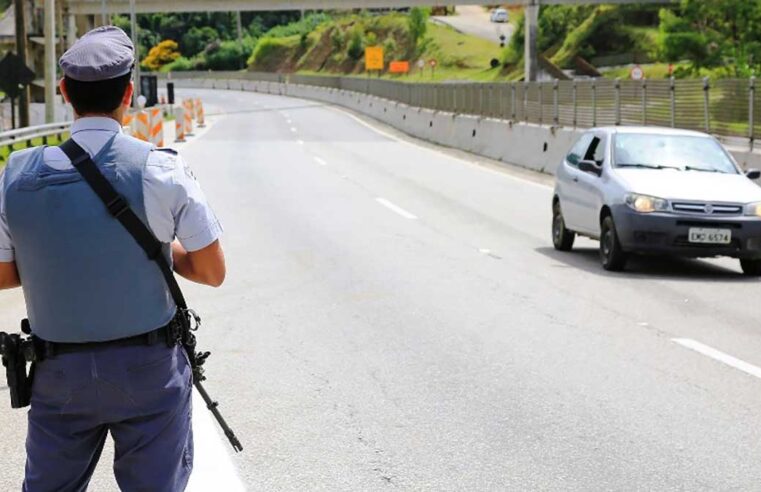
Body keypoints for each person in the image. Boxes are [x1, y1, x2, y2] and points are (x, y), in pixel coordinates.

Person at [0, 26, 225, 491]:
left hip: (57, 374)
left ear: (64, 92)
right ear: (128, 93)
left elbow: (4, 276)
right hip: (148, 371)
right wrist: (159, 253)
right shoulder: (161, 168)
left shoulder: (15, 176)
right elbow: (211, 271)